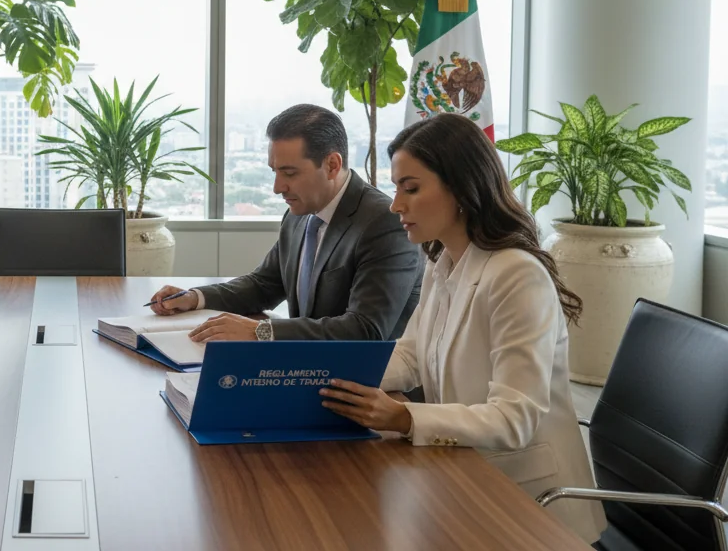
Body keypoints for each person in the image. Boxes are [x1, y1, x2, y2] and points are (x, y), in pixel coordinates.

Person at [318, 113, 606, 543]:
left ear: (462, 188)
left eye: (411, 188)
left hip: (529, 506)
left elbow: (514, 419)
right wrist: (322, 376)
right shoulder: (443, 261)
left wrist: (403, 416)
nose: (396, 204)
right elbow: (411, 356)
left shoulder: (516, 275)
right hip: (461, 476)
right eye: (396, 188)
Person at [149, 104, 422, 343]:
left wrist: (262, 332)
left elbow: (365, 329)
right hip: (305, 371)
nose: (277, 188)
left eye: (289, 173)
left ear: (332, 165)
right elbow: (264, 285)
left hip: (370, 388)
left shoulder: (384, 222)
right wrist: (195, 297)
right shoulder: (299, 214)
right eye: (274, 171)